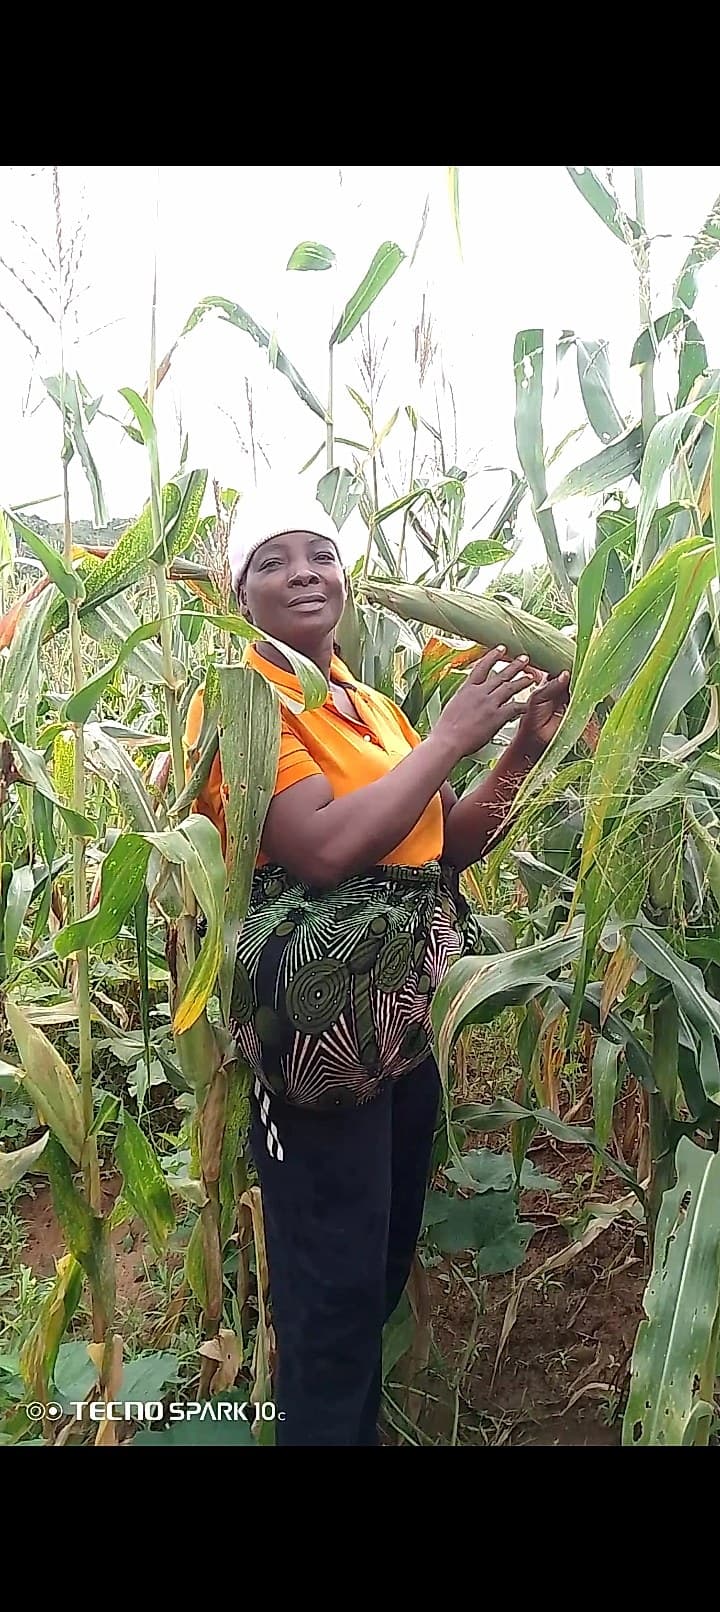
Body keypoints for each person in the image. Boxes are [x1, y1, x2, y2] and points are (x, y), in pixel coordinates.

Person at [183, 480, 569, 1447]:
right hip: (317, 1041)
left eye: (319, 554)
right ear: (242, 594)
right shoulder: (239, 697)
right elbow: (317, 847)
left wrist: (521, 744)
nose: (303, 574)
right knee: (331, 1304)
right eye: (273, 561)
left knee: (379, 1264)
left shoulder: (368, 703)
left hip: (397, 1032)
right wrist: (449, 737)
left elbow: (443, 844)